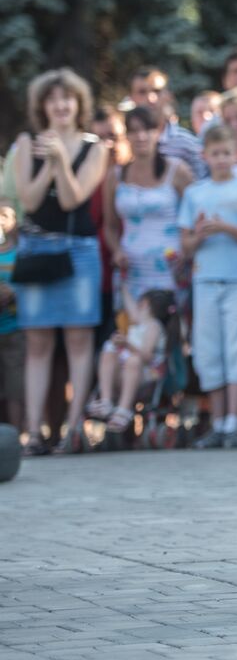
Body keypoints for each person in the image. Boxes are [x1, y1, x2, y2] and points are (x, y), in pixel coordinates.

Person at [13, 68, 108, 456]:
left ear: (79, 103)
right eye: (53, 99)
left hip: (78, 252)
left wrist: (60, 160)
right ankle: (34, 432)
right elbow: (31, 201)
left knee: (78, 339)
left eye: (67, 98)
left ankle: (73, 430)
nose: (61, 105)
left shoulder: (95, 148)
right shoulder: (25, 144)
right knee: (37, 342)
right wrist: (49, 161)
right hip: (36, 250)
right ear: (43, 106)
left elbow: (72, 199)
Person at [178, 125, 237, 449]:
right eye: (214, 154)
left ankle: (233, 421)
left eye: (226, 153)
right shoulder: (194, 193)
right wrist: (202, 233)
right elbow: (186, 244)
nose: (220, 159)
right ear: (204, 156)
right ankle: (216, 422)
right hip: (204, 280)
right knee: (208, 351)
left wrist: (226, 227)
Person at [102, 105, 193, 321]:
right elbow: (110, 226)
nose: (141, 136)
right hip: (132, 271)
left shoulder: (177, 170)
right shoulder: (116, 176)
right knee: (135, 336)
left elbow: (197, 214)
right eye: (133, 130)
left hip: (170, 269)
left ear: (158, 131)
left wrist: (188, 249)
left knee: (170, 334)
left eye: (147, 129)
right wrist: (116, 251)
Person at [86, 286, 180, 436]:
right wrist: (122, 286)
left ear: (144, 305)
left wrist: (126, 344)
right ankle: (106, 400)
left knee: (134, 361)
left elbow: (147, 356)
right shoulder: (138, 326)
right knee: (108, 352)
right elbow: (131, 310)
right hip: (125, 374)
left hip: (144, 376)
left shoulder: (153, 327)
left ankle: (124, 408)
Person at [129, 66, 207, 179]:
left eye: (157, 91)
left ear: (168, 95)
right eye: (142, 92)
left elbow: (201, 188)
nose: (151, 98)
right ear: (132, 98)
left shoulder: (187, 143)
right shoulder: (123, 144)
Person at [0, 198, 21, 430]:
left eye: (5, 215)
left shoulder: (20, 252)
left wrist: (13, 292)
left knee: (16, 388)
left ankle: (17, 434)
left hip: (15, 329)